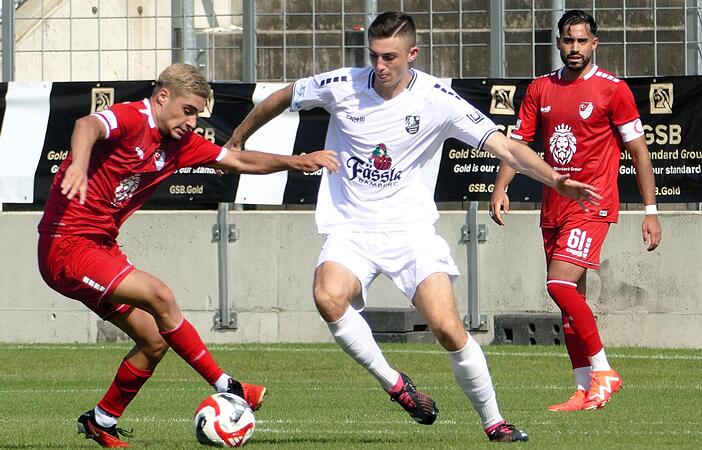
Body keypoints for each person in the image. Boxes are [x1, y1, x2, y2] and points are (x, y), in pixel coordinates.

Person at [226, 11, 600, 443]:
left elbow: (506, 146)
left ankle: (494, 422)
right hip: (352, 229)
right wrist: (239, 137)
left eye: (389, 57)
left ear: (412, 55)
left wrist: (555, 180)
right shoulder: (345, 84)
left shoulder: (437, 99)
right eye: (373, 56)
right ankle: (396, 385)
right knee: (327, 296)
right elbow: (284, 95)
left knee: (447, 329)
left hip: (410, 232)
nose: (379, 66)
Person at [37, 63, 339, 448]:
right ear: (162, 97)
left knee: (153, 340)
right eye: (188, 110)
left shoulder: (180, 144)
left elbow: (238, 161)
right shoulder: (133, 117)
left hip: (100, 247)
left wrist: (295, 162)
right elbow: (86, 125)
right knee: (160, 295)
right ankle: (228, 385)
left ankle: (102, 420)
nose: (192, 121)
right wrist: (79, 163)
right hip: (67, 246)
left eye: (197, 113)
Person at [489, 9, 662, 412]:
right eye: (568, 40)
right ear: (558, 43)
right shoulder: (539, 90)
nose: (574, 48)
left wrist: (650, 210)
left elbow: (638, 152)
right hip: (553, 207)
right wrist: (500, 187)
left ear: (594, 43)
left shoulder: (612, 90)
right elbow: (517, 146)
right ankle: (586, 389)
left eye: (582, 41)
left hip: (593, 203)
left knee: (559, 285)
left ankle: (604, 371)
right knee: (570, 300)